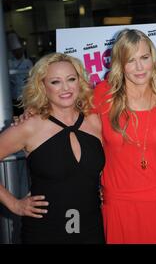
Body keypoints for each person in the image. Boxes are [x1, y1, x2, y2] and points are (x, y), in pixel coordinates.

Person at [93, 29, 156, 243]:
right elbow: (68, 117)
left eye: (145, 58)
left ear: (153, 59)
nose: (139, 67)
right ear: (120, 63)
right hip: (120, 207)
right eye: (131, 60)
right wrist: (31, 114)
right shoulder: (103, 95)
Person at [0, 53, 105, 244]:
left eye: (71, 79)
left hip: (92, 228)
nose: (65, 88)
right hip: (45, 232)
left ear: (79, 82)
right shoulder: (29, 126)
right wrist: (14, 204)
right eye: (56, 82)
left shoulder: (95, 120)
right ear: (43, 86)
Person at [7, 32, 33, 116]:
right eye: (15, 51)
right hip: (13, 96)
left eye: (19, 50)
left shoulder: (28, 62)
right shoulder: (8, 63)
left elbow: (31, 76)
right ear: (12, 52)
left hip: (26, 97)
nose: (18, 53)